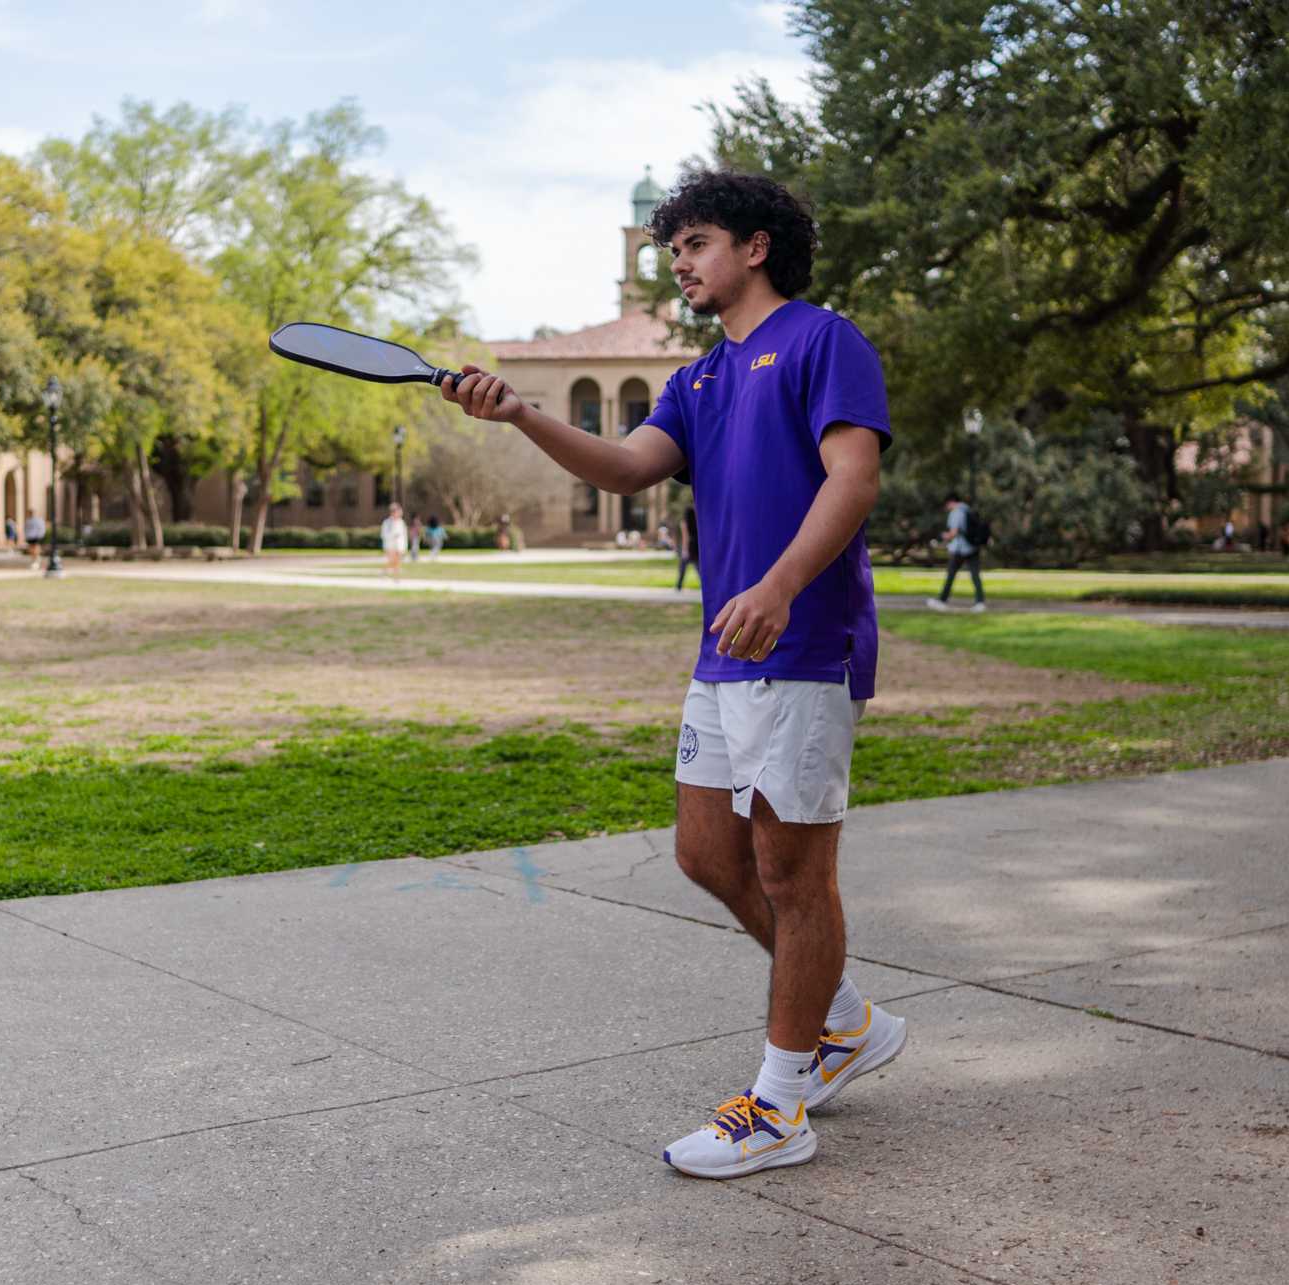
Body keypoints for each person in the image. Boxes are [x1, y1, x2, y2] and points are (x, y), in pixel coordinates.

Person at [438, 169, 905, 1179]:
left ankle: (779, 1103)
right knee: (706, 854)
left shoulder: (824, 341)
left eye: (694, 243)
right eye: (672, 249)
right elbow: (621, 467)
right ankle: (839, 1021)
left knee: (792, 870)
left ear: (753, 248)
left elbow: (853, 476)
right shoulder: (698, 378)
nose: (680, 264)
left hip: (798, 638)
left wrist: (779, 587)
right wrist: (518, 412)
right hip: (721, 654)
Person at [926, 492, 986, 612]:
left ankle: (942, 600)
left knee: (951, 575)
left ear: (951, 502)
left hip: (960, 549)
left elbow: (953, 533)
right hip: (973, 547)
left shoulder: (956, 512)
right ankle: (980, 602)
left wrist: (942, 536)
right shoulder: (968, 510)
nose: (947, 508)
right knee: (975, 575)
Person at [379, 502, 408, 579]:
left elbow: (404, 536)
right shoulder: (387, 522)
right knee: (393, 561)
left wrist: (404, 547)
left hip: (399, 546)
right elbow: (384, 534)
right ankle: (395, 576)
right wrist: (393, 536)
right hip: (390, 545)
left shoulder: (401, 522)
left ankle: (387, 573)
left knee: (397, 562)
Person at [676, 505, 699, 592]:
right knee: (698, 567)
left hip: (689, 546)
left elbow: (686, 536)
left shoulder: (684, 522)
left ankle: (679, 586)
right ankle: (705, 584)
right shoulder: (696, 522)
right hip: (696, 546)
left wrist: (685, 549)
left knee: (682, 567)